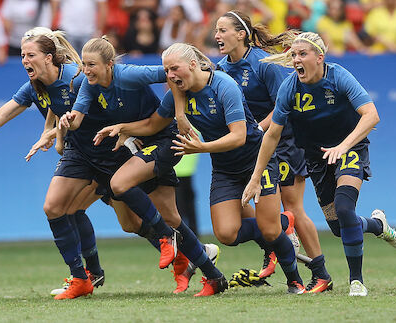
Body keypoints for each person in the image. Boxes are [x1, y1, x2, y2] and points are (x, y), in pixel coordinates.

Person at [95, 42, 306, 294]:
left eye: (175, 68)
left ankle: (295, 280)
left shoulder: (224, 85)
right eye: (166, 70)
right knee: (227, 235)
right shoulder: (178, 95)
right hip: (225, 169)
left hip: (256, 162)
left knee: (270, 231)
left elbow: (238, 136)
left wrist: (201, 148)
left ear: (193, 65)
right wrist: (123, 127)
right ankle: (283, 221)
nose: (170, 75)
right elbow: (154, 124)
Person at [62, 37, 226, 297]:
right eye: (83, 64)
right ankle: (214, 276)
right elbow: (77, 119)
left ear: (109, 65)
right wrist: (66, 121)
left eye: (91, 64)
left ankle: (164, 237)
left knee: (119, 184)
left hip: (164, 139)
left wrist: (180, 114)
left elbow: (174, 75)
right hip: (142, 144)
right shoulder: (89, 84)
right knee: (171, 217)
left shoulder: (129, 75)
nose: (86, 70)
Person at [242, 32, 396, 297]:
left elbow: (371, 115)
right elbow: (272, 134)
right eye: (293, 55)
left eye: (302, 54)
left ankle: (356, 282)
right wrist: (256, 177)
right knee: (340, 227)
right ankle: (377, 225)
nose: (295, 60)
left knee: (344, 208)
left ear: (320, 57)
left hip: (350, 149)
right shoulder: (289, 88)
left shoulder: (339, 76)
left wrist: (344, 145)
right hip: (316, 159)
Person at [0, 27, 110, 297]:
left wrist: (51, 133)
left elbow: (99, 106)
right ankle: (83, 276)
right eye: (23, 55)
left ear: (49, 57)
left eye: (30, 54)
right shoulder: (34, 86)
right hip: (79, 154)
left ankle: (196, 254)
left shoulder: (77, 76)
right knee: (56, 207)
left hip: (109, 151)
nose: (25, 60)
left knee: (137, 220)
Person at [211, 10, 332, 292]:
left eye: (222, 30)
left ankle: (320, 272)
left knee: (293, 207)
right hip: (253, 146)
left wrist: (255, 129)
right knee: (252, 210)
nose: (217, 36)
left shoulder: (263, 64)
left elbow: (283, 107)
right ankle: (274, 239)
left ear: (241, 34)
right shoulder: (220, 69)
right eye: (216, 31)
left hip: (286, 142)